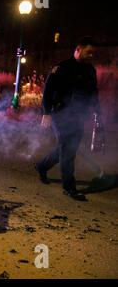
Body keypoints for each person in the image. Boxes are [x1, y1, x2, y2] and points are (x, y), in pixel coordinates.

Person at [35, 36, 101, 201]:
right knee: (68, 149)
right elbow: (48, 91)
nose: (91, 56)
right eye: (89, 52)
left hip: (79, 115)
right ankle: (69, 187)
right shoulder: (62, 68)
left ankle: (42, 166)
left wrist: (97, 111)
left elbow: (93, 93)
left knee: (67, 149)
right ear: (78, 49)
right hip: (60, 114)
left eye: (93, 53)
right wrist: (46, 113)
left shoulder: (90, 70)